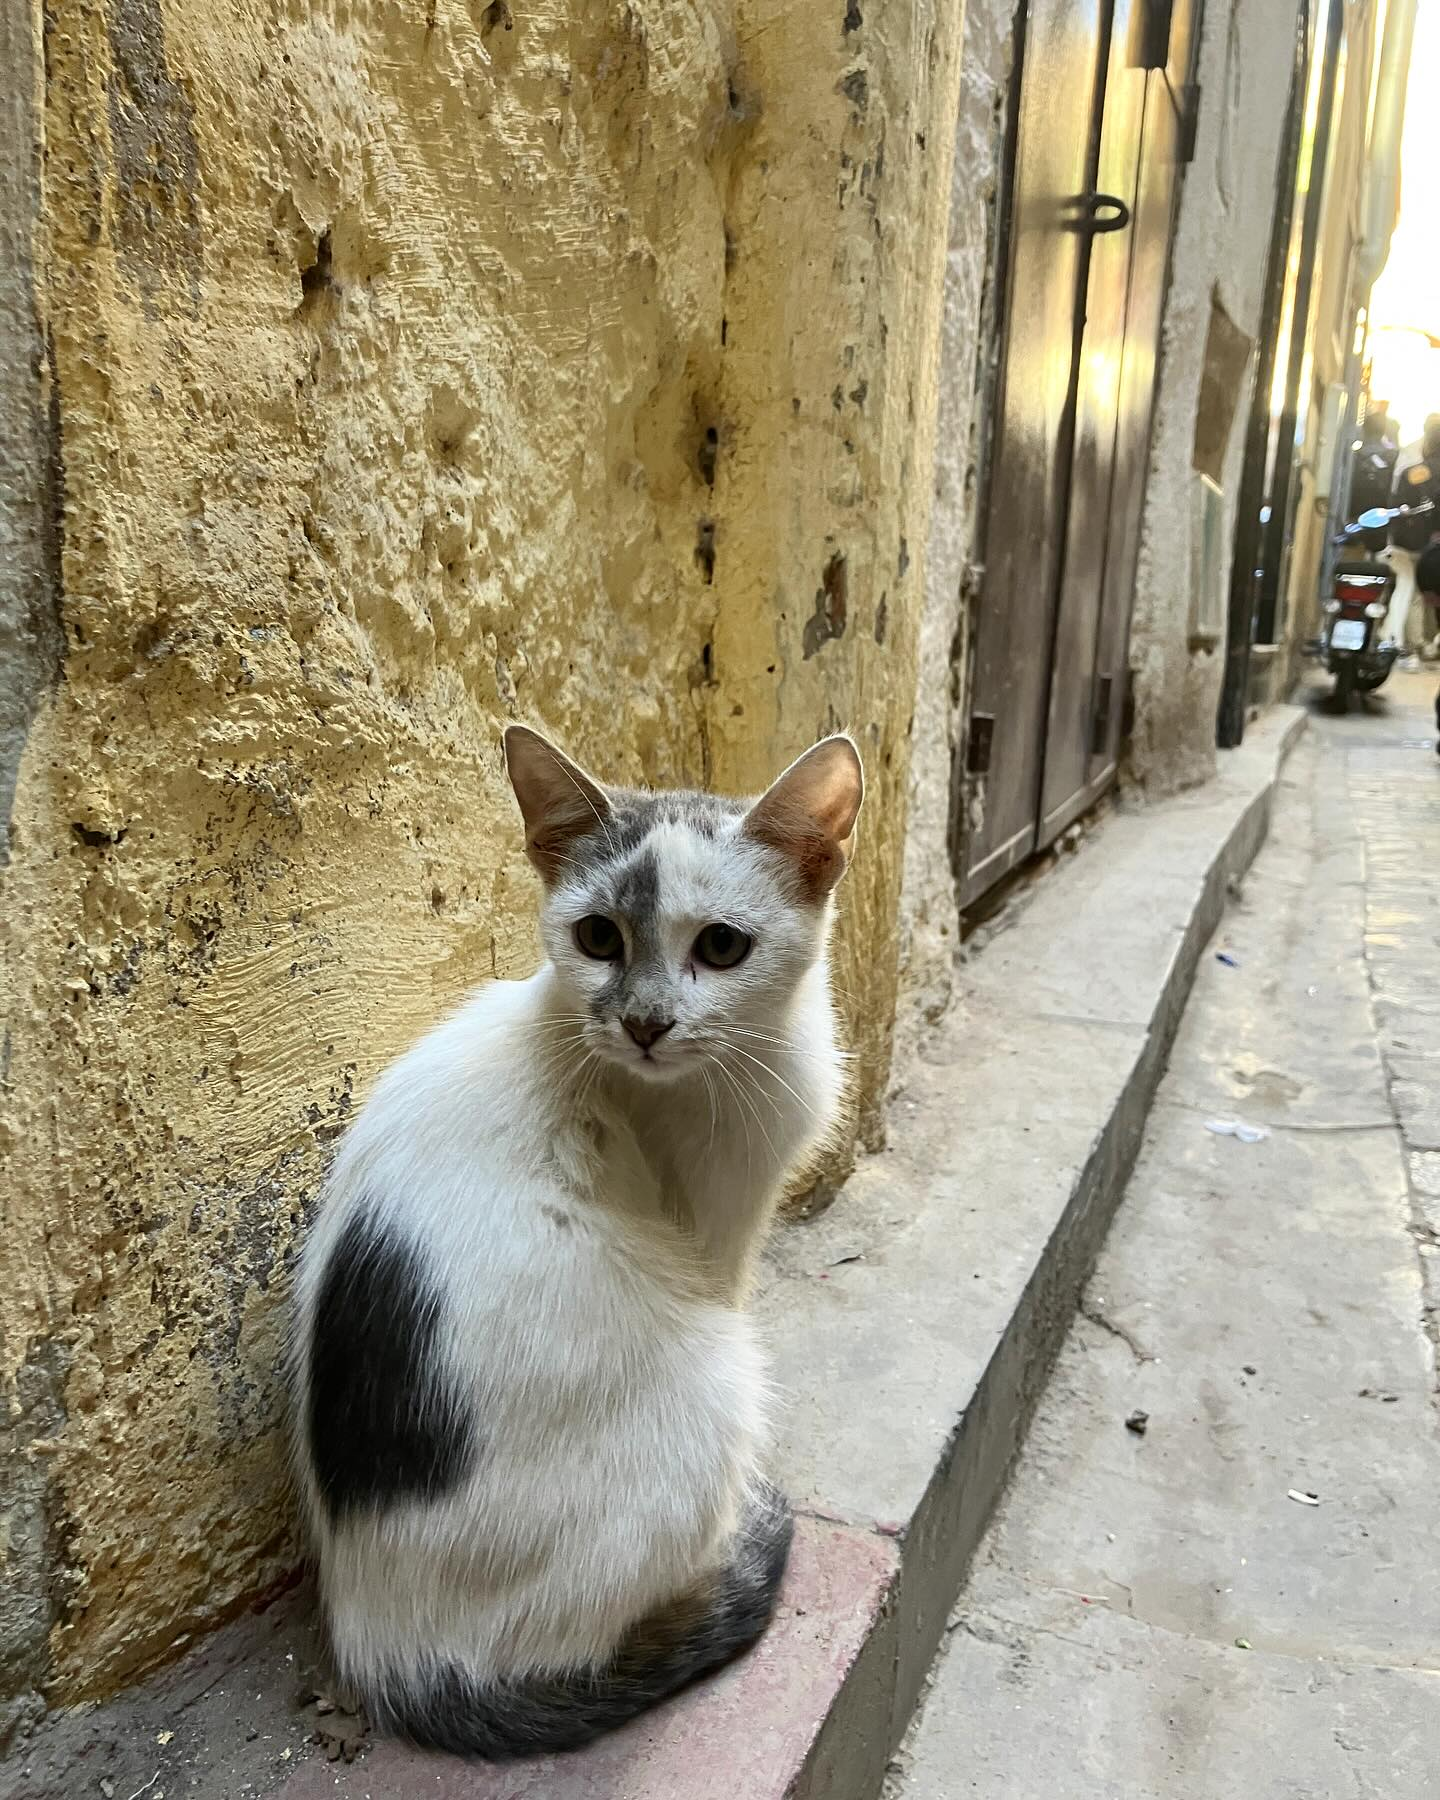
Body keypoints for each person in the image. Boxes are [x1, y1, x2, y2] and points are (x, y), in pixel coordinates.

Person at [1389, 414, 1440, 655]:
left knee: (1414, 593)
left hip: (1411, 543)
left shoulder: (1412, 470)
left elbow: (1396, 505)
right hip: (1434, 544)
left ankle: (1415, 642)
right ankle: (1426, 640)